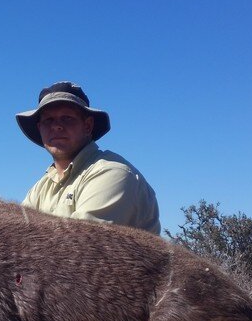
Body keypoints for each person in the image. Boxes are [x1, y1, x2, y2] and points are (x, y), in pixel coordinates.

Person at [16, 81, 160, 234]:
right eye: (48, 120)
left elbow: (78, 245)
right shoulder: (42, 186)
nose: (56, 126)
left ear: (87, 126)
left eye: (67, 118)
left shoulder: (112, 172)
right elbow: (18, 234)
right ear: (40, 129)